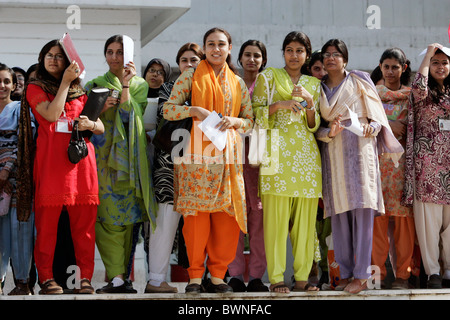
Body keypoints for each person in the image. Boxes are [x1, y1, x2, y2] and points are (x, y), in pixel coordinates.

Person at [163, 27, 254, 293]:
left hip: (228, 160)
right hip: (196, 160)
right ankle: (194, 276)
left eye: (221, 44)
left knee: (225, 218)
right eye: (211, 44)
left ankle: (217, 276)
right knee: (196, 220)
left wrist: (235, 120)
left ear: (229, 48)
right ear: (205, 47)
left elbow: (249, 122)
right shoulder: (191, 76)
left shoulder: (237, 83)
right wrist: (194, 110)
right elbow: (168, 109)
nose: (216, 49)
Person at [315, 39, 403, 294]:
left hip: (361, 155)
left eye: (336, 54)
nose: (331, 58)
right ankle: (343, 273)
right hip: (333, 155)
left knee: (363, 215)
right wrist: (327, 133)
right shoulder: (318, 88)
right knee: (340, 218)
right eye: (327, 54)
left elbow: (378, 118)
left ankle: (362, 275)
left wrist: (370, 128)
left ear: (345, 58)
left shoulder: (360, 80)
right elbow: (316, 128)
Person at [18, 39, 104, 295]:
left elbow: (100, 127)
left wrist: (90, 124)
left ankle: (85, 278)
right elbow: (52, 115)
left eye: (59, 56)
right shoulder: (35, 88)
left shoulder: (82, 91)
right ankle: (46, 278)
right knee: (47, 227)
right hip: (52, 167)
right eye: (49, 55)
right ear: (42, 58)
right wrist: (65, 82)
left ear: (68, 61)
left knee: (85, 229)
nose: (54, 59)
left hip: (82, 165)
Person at [84, 35, 158, 294]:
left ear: (128, 55)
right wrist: (102, 106)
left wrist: (125, 85)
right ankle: (116, 277)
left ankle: (121, 278)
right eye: (110, 52)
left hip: (131, 160)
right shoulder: (94, 84)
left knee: (128, 219)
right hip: (102, 160)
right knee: (107, 219)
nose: (114, 57)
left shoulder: (139, 85)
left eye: (120, 52)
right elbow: (85, 120)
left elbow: (130, 116)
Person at [252, 31, 322, 293]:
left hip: (306, 158)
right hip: (275, 156)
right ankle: (277, 278)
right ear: (283, 52)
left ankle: (303, 278)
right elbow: (253, 112)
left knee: (305, 223)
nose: (294, 55)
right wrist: (278, 105)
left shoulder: (313, 84)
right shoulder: (268, 77)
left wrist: (311, 103)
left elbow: (315, 126)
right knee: (275, 224)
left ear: (306, 54)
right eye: (290, 50)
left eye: (300, 51)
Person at [145, 42, 203, 294]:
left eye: (194, 60)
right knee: (165, 222)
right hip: (170, 168)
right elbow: (152, 124)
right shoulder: (167, 89)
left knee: (199, 228)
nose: (189, 65)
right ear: (178, 65)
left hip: (202, 169)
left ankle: (201, 279)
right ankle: (156, 279)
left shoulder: (209, 89)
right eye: (184, 61)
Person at [402, 43, 450, 289]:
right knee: (429, 225)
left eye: (444, 62)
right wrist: (430, 52)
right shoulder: (422, 93)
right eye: (435, 62)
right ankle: (433, 272)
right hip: (428, 168)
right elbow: (418, 84)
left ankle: (449, 269)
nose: (440, 66)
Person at [371, 48, 415, 289]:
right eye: (386, 66)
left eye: (395, 67)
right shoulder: (371, 94)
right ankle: (376, 276)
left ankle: (403, 275)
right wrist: (390, 123)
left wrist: (403, 125)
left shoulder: (413, 96)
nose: (390, 71)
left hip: (403, 170)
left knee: (404, 226)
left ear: (404, 68)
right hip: (377, 167)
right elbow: (365, 120)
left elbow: (419, 125)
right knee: (378, 223)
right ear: (380, 66)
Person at [227, 39, 268, 293]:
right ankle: (233, 274)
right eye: (247, 55)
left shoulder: (269, 86)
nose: (252, 60)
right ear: (240, 59)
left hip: (262, 158)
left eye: (257, 56)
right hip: (233, 156)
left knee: (259, 220)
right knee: (233, 218)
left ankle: (255, 276)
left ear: (263, 60)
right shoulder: (230, 84)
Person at [0, 64, 35, 295]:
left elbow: (25, 142)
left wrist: (5, 171)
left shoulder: (20, 110)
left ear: (14, 85)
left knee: (19, 230)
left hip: (16, 182)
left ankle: (22, 283)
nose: (1, 86)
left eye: (6, 81)